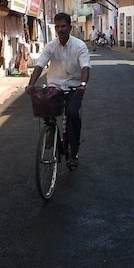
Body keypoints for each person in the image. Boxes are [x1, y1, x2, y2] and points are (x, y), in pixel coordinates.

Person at [25, 12, 91, 169]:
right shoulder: (51, 46)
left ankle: (73, 153)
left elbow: (85, 66)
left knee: (73, 115)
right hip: (55, 86)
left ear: (70, 27)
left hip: (74, 88)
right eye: (57, 26)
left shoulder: (79, 46)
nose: (60, 29)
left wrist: (83, 84)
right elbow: (40, 65)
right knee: (43, 105)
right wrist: (30, 84)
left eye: (63, 26)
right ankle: (50, 131)